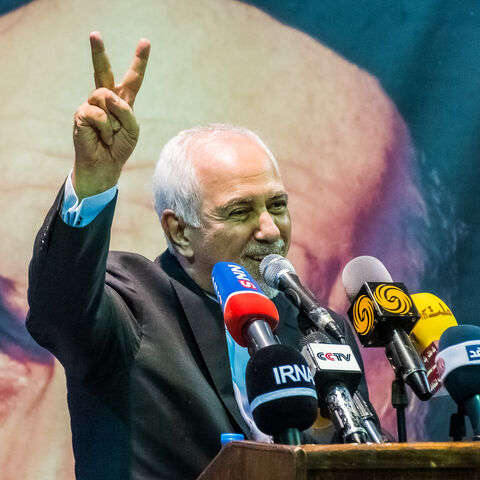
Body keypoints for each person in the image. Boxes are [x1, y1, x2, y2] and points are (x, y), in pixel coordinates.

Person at [26, 32, 377, 479]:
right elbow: (60, 309)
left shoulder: (320, 331)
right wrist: (93, 179)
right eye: (240, 211)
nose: (270, 229)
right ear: (180, 231)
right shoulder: (132, 302)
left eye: (278, 205)